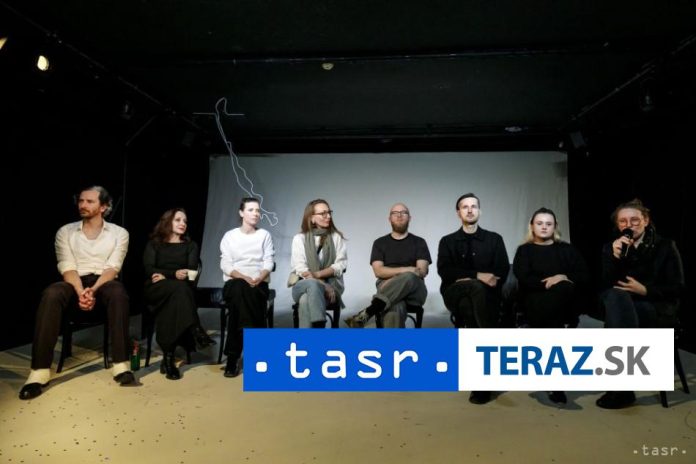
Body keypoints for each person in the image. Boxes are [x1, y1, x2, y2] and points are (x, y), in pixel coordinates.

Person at [20, 186, 135, 400]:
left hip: (103, 282)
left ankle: (121, 364)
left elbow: (112, 267)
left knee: (118, 292)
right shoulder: (65, 231)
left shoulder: (120, 233)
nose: (83, 205)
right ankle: (38, 372)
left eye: (89, 201)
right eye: (81, 200)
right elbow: (67, 266)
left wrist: (94, 289)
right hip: (75, 281)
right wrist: (81, 291)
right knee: (52, 293)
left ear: (103, 207)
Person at [596, 198, 684, 409]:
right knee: (616, 297)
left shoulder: (665, 246)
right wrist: (614, 257)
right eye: (623, 221)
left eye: (634, 220)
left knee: (615, 314)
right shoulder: (612, 247)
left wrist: (645, 290)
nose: (629, 225)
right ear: (618, 225)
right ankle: (623, 386)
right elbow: (607, 284)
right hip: (623, 307)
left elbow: (678, 287)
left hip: (655, 307)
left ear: (645, 220)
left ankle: (621, 388)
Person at [437, 193, 509, 405]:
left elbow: (502, 270)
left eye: (473, 206)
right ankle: (491, 349)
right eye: (464, 207)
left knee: (470, 307)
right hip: (454, 293)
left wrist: (468, 277)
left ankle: (480, 380)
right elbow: (445, 272)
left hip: (485, 296)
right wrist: (478, 276)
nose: (469, 210)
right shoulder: (448, 241)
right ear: (458, 213)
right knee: (475, 287)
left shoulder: (494, 239)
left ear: (480, 211)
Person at [512, 207, 589, 405]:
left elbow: (583, 275)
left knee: (564, 288)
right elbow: (524, 277)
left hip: (563, 301)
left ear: (555, 226)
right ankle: (555, 381)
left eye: (548, 224)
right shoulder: (524, 250)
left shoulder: (567, 250)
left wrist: (562, 277)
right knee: (554, 319)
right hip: (534, 298)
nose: (544, 227)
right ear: (532, 226)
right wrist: (548, 283)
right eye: (540, 223)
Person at [143, 208, 214, 380]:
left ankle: (168, 358)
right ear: (167, 221)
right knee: (179, 289)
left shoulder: (191, 246)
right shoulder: (154, 244)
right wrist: (173, 274)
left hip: (180, 291)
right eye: (178, 220)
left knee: (176, 296)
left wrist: (167, 275)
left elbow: (191, 272)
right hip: (156, 288)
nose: (183, 223)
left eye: (185, 221)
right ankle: (195, 328)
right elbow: (149, 269)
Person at [344, 203, 430, 328]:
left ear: (409, 218)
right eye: (395, 213)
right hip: (387, 288)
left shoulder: (419, 242)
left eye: (404, 212)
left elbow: (421, 271)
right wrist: (407, 269)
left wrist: (400, 276)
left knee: (410, 276)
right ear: (389, 218)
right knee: (394, 308)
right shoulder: (379, 243)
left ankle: (369, 311)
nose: (399, 215)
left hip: (414, 292)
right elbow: (378, 272)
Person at [220, 197, 275, 377]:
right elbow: (226, 264)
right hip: (234, 283)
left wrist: (260, 277)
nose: (255, 213)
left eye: (258, 210)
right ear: (241, 213)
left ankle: (232, 357)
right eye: (251, 210)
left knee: (241, 305)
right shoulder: (230, 236)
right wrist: (244, 277)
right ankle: (258, 353)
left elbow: (269, 261)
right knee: (240, 287)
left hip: (258, 284)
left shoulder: (264, 235)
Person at [290, 199, 347, 328]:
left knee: (305, 300)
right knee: (312, 285)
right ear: (312, 218)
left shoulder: (336, 237)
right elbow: (301, 269)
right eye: (323, 213)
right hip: (303, 286)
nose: (328, 216)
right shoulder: (299, 239)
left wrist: (316, 275)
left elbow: (340, 265)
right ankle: (320, 327)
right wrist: (324, 285)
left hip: (332, 288)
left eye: (329, 212)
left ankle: (312, 335)